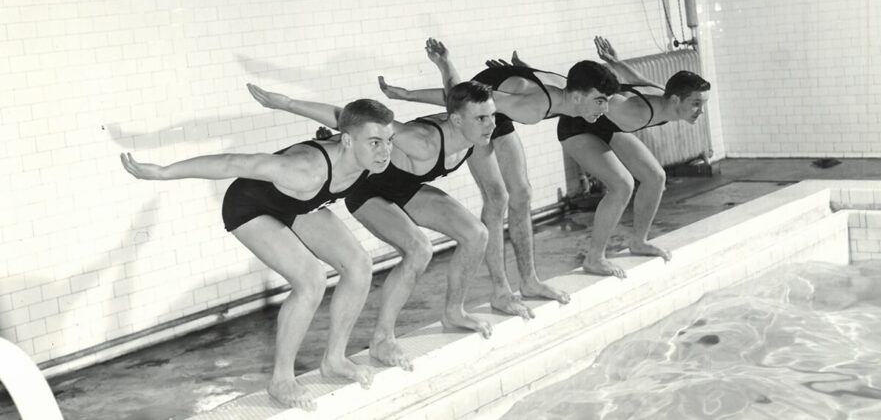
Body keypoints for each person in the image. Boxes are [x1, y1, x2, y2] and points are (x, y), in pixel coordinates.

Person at [120, 99, 395, 411]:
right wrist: (164, 172)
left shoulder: (363, 151)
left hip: (296, 204)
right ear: (347, 140)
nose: (385, 151)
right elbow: (233, 163)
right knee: (311, 281)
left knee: (359, 266)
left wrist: (286, 102)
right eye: (375, 142)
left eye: (389, 140)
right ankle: (281, 379)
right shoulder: (303, 170)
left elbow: (339, 115)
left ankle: (334, 359)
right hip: (250, 206)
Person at [247, 44, 496, 371]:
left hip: (406, 187)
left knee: (477, 234)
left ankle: (454, 311)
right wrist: (288, 104)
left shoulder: (468, 128)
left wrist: (445, 63)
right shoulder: (422, 140)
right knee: (419, 250)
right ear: (456, 120)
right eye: (482, 118)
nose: (491, 124)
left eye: (492, 115)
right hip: (368, 190)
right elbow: (349, 118)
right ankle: (382, 339)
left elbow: (454, 92)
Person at [379, 39, 620, 319]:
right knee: (498, 197)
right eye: (600, 101)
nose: (604, 109)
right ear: (578, 96)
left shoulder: (563, 89)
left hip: (500, 114)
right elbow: (462, 99)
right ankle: (500, 292)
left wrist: (519, 71)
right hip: (479, 115)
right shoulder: (532, 106)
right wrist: (412, 91)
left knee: (523, 193)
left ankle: (529, 282)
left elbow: (538, 78)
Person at [491, 37, 711, 278]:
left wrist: (616, 62)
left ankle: (639, 241)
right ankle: (594, 258)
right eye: (696, 104)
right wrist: (530, 75)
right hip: (578, 126)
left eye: (702, 104)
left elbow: (639, 80)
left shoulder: (663, 96)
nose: (700, 111)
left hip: (607, 127)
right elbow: (579, 92)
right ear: (676, 100)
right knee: (622, 185)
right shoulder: (632, 112)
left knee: (655, 177)